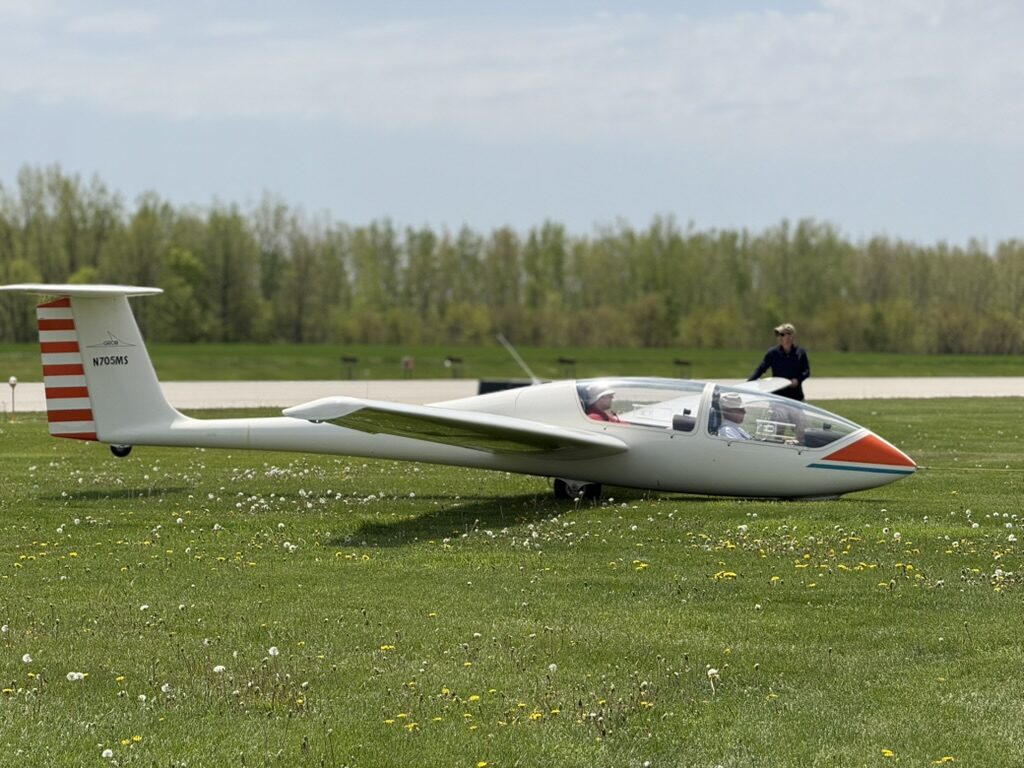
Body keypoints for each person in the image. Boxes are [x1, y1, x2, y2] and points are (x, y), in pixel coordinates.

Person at [748, 322, 810, 401]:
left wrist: (798, 380)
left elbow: (806, 371)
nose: (779, 337)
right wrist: (749, 382)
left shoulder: (800, 352)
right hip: (778, 397)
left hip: (796, 397)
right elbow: (761, 369)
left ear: (790, 336)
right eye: (778, 335)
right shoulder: (773, 353)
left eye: (782, 335)